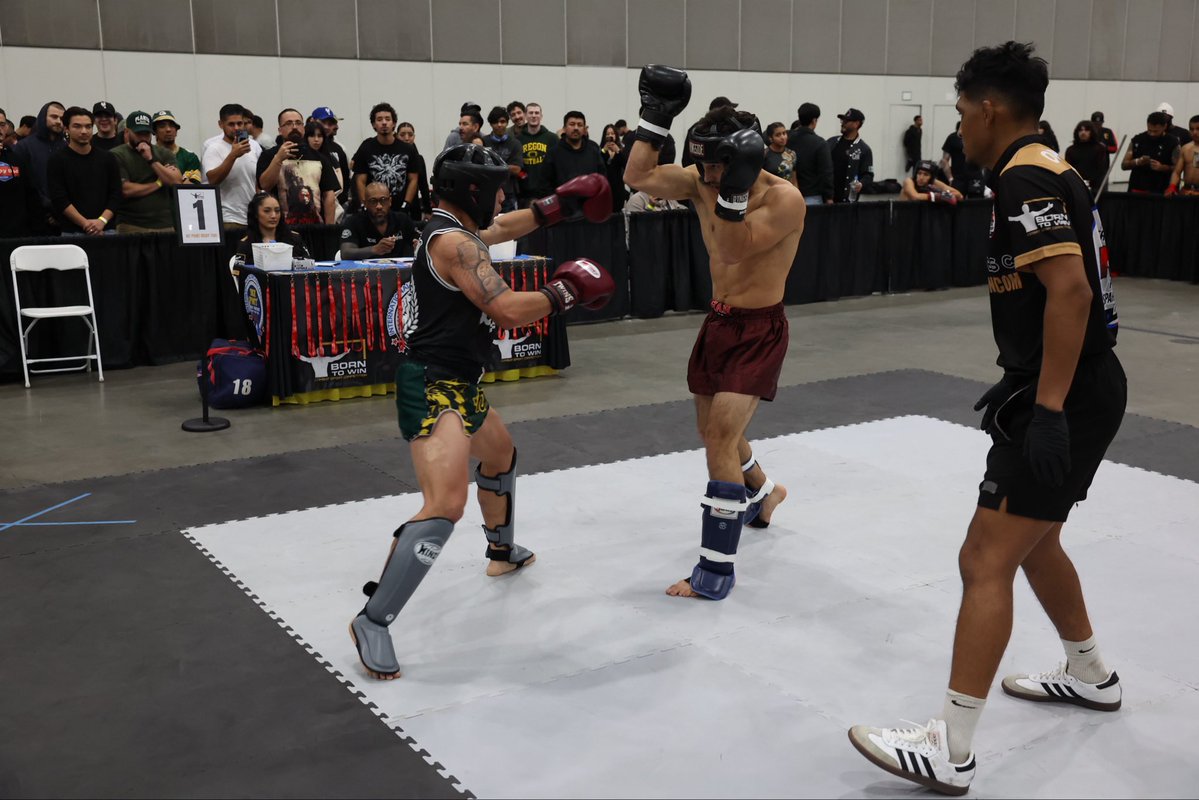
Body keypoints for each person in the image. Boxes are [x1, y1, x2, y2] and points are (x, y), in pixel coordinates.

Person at [849, 41, 1125, 796]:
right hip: (1077, 384)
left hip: (1063, 390)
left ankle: (950, 747)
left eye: (964, 112)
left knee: (983, 558)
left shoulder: (1024, 174)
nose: (960, 129)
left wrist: (1044, 411)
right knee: (1035, 543)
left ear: (989, 109)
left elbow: (1069, 294)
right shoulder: (1055, 166)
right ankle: (1091, 674)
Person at [348, 144, 616, 680]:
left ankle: (502, 550)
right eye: (494, 186)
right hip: (431, 385)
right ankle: (373, 620)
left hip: (461, 381)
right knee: (445, 505)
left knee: (500, 456)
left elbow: (502, 226)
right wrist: (566, 291)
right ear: (473, 188)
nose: (502, 195)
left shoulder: (454, 228)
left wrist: (560, 204)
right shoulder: (455, 245)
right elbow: (508, 311)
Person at [624, 65, 802, 601]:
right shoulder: (705, 181)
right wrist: (654, 120)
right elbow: (637, 177)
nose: (703, 177)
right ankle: (765, 492)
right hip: (719, 321)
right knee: (716, 435)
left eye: (716, 167)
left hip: (760, 329)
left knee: (720, 438)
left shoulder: (783, 200)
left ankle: (715, 572)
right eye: (701, 167)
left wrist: (736, 189)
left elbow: (731, 248)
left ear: (744, 163)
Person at [46, 106, 121, 235]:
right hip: (72, 232)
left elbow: (116, 193)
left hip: (106, 229)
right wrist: (86, 224)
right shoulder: (56, 160)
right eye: (77, 126)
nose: (84, 131)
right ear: (66, 128)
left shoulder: (107, 158)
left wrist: (102, 221)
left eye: (88, 126)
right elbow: (59, 199)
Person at [258, 110, 339, 225]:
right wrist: (278, 159)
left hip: (315, 227)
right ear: (280, 130)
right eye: (289, 123)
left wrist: (329, 229)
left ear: (304, 128)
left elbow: (329, 196)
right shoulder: (269, 156)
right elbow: (265, 185)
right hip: (280, 228)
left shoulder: (319, 158)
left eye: (298, 123)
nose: (294, 127)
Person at [110, 110, 184, 233]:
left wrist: (151, 160)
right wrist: (159, 183)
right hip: (131, 224)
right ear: (127, 132)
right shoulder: (117, 154)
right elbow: (126, 190)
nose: (143, 138)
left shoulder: (163, 153)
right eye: (139, 133)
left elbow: (176, 181)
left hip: (164, 224)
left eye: (146, 133)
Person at [201, 103, 262, 230]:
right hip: (228, 218)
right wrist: (233, 155)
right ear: (221, 124)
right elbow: (212, 180)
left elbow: (258, 181)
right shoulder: (213, 148)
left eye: (240, 123)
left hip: (252, 217)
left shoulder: (254, 146)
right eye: (231, 124)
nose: (236, 128)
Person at [352, 102, 419, 211]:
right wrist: (365, 204)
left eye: (387, 119)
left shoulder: (408, 149)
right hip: (374, 209)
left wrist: (406, 203)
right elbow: (360, 181)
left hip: (400, 208)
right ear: (373, 124)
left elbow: (413, 179)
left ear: (394, 123)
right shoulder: (366, 148)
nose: (384, 123)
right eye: (379, 120)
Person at [12, 101, 66, 227]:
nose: (58, 121)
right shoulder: (24, 147)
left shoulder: (66, 146)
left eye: (62, 118)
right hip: (33, 217)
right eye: (53, 117)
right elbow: (22, 184)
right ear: (42, 117)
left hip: (63, 216)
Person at [339, 181, 418, 259]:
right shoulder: (353, 222)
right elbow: (346, 253)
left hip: (398, 270)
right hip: (366, 270)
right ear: (365, 203)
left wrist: (418, 245)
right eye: (373, 201)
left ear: (390, 201)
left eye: (383, 200)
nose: (379, 206)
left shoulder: (402, 220)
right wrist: (374, 249)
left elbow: (418, 240)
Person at [235, 192, 310, 263]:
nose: (273, 216)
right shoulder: (246, 244)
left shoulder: (294, 238)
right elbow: (240, 273)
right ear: (256, 214)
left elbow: (308, 264)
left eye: (277, 211)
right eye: (267, 211)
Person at [1122, 111, 1180, 194]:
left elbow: (1178, 168)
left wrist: (1162, 167)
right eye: (1149, 130)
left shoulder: (1172, 142)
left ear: (1165, 127)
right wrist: (1137, 161)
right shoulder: (1137, 140)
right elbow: (1124, 165)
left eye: (1156, 131)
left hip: (1161, 190)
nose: (1152, 134)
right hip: (1138, 188)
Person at [787, 102, 833, 205]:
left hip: (788, 192)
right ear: (814, 120)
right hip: (812, 196)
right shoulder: (820, 143)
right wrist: (829, 196)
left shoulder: (787, 138)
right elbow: (826, 172)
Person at [547, 110, 605, 186]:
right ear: (564, 128)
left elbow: (602, 178)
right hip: (562, 197)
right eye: (572, 124)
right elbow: (545, 184)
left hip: (590, 197)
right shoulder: (553, 153)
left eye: (580, 125)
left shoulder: (593, 150)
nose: (576, 128)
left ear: (584, 129)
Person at [827, 107, 873, 202]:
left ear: (856, 124)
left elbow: (868, 175)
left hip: (848, 201)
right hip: (828, 199)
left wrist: (861, 184)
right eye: (842, 120)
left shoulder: (864, 149)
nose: (842, 123)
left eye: (847, 121)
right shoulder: (831, 142)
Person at [517, 102, 557, 207]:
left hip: (548, 192)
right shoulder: (518, 140)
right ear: (525, 116)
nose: (534, 115)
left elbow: (557, 164)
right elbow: (517, 166)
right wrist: (524, 177)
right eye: (531, 113)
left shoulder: (552, 138)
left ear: (541, 116)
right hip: (525, 193)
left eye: (536, 113)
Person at [484, 106, 524, 213]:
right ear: (491, 124)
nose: (499, 125)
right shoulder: (483, 142)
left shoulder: (515, 143)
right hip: (487, 192)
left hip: (509, 193)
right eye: (495, 122)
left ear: (507, 122)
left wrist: (493, 165)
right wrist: (506, 166)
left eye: (502, 121)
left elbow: (517, 170)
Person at [312, 107, 352, 211]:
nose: (326, 127)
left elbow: (346, 177)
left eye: (330, 124)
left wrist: (341, 200)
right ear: (313, 121)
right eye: (323, 122)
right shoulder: (306, 146)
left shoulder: (338, 148)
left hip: (336, 204)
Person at [152, 110, 201, 183]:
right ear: (154, 131)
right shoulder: (147, 155)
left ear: (176, 131)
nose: (168, 129)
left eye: (171, 126)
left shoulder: (190, 157)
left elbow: (193, 189)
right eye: (162, 126)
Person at [397, 122, 432, 221]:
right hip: (394, 207)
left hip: (414, 208)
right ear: (396, 136)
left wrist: (428, 211)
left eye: (410, 135)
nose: (407, 138)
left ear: (414, 137)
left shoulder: (418, 159)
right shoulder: (392, 159)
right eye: (402, 135)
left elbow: (424, 186)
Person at [1064, 120, 1108, 197]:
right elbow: (1068, 170)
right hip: (1076, 187)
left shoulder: (1100, 148)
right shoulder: (1071, 150)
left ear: (1091, 132)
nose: (1083, 132)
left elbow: (1101, 169)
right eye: (1080, 130)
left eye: (1086, 130)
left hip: (1095, 188)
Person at [1166, 114, 1199, 196]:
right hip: (1186, 191)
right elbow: (1177, 172)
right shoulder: (1185, 148)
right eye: (1192, 129)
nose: (1195, 132)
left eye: (1198, 129)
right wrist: (1172, 187)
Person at [763, 122, 798, 187]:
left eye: (784, 133)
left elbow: (794, 180)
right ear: (771, 138)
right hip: (770, 192)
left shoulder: (792, 154)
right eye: (778, 135)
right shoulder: (764, 154)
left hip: (788, 192)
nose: (782, 137)